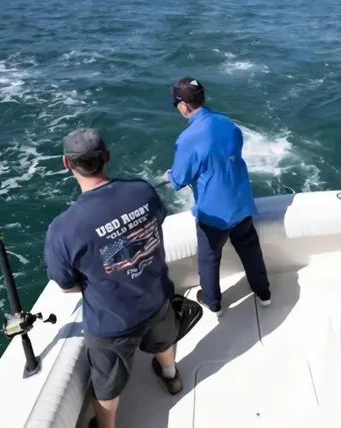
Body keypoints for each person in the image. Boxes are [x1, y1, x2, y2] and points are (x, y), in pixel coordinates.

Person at [44, 128, 182, 428]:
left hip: (112, 321)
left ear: (66, 164)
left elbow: (67, 285)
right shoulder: (142, 191)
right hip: (157, 297)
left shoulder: (63, 229)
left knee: (107, 386)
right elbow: (157, 224)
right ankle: (172, 377)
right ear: (106, 157)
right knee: (163, 341)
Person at [164, 77, 271, 316]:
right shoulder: (228, 123)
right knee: (250, 250)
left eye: (175, 103)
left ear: (184, 105)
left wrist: (168, 175)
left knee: (209, 258)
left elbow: (179, 179)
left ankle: (213, 303)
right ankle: (264, 292)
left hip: (214, 214)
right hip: (241, 203)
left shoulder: (187, 138)